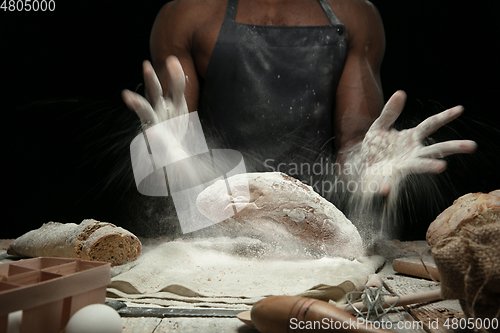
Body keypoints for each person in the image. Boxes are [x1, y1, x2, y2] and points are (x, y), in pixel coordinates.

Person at [122, 0, 476, 199]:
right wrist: (175, 147)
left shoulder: (355, 14)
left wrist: (369, 160)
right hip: (216, 230)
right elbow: (180, 160)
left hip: (322, 230)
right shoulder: (188, 13)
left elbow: (354, 146)